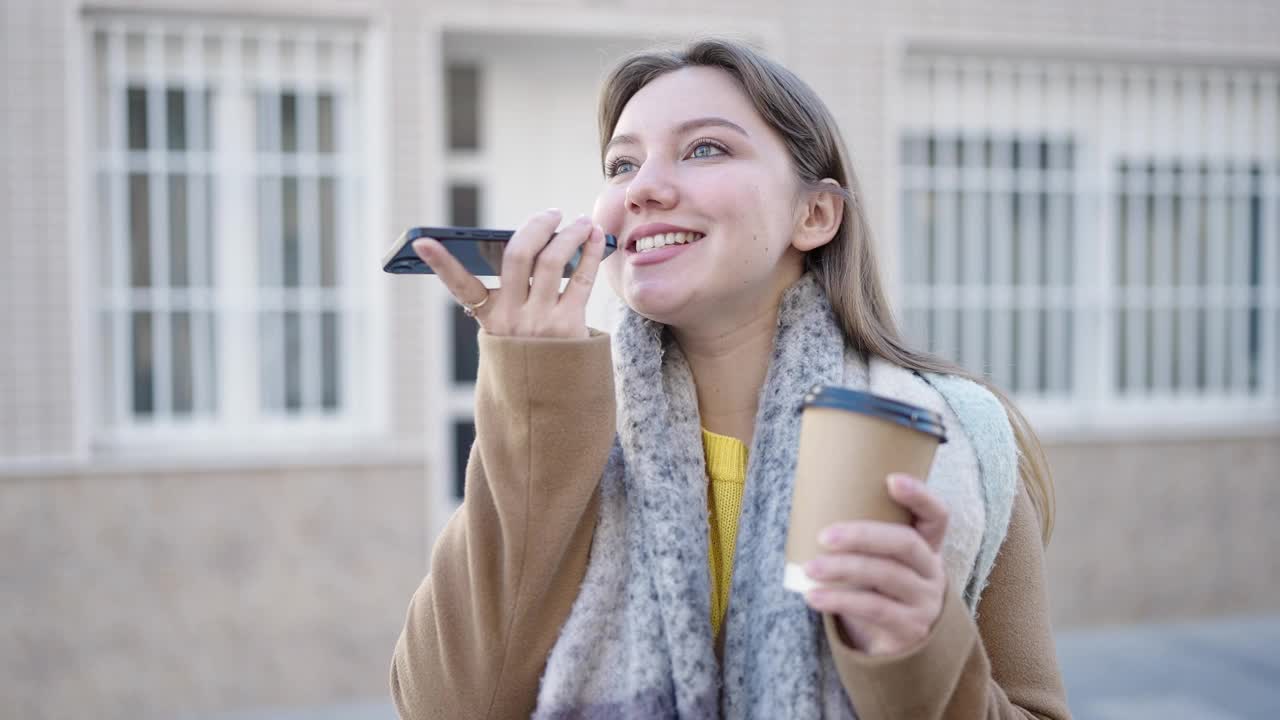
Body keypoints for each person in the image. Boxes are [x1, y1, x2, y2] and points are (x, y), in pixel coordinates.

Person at [390, 38, 1071, 720]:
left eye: (705, 149)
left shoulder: (956, 438)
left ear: (815, 215)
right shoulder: (567, 426)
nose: (643, 188)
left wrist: (917, 651)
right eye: (621, 165)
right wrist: (533, 398)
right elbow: (443, 706)